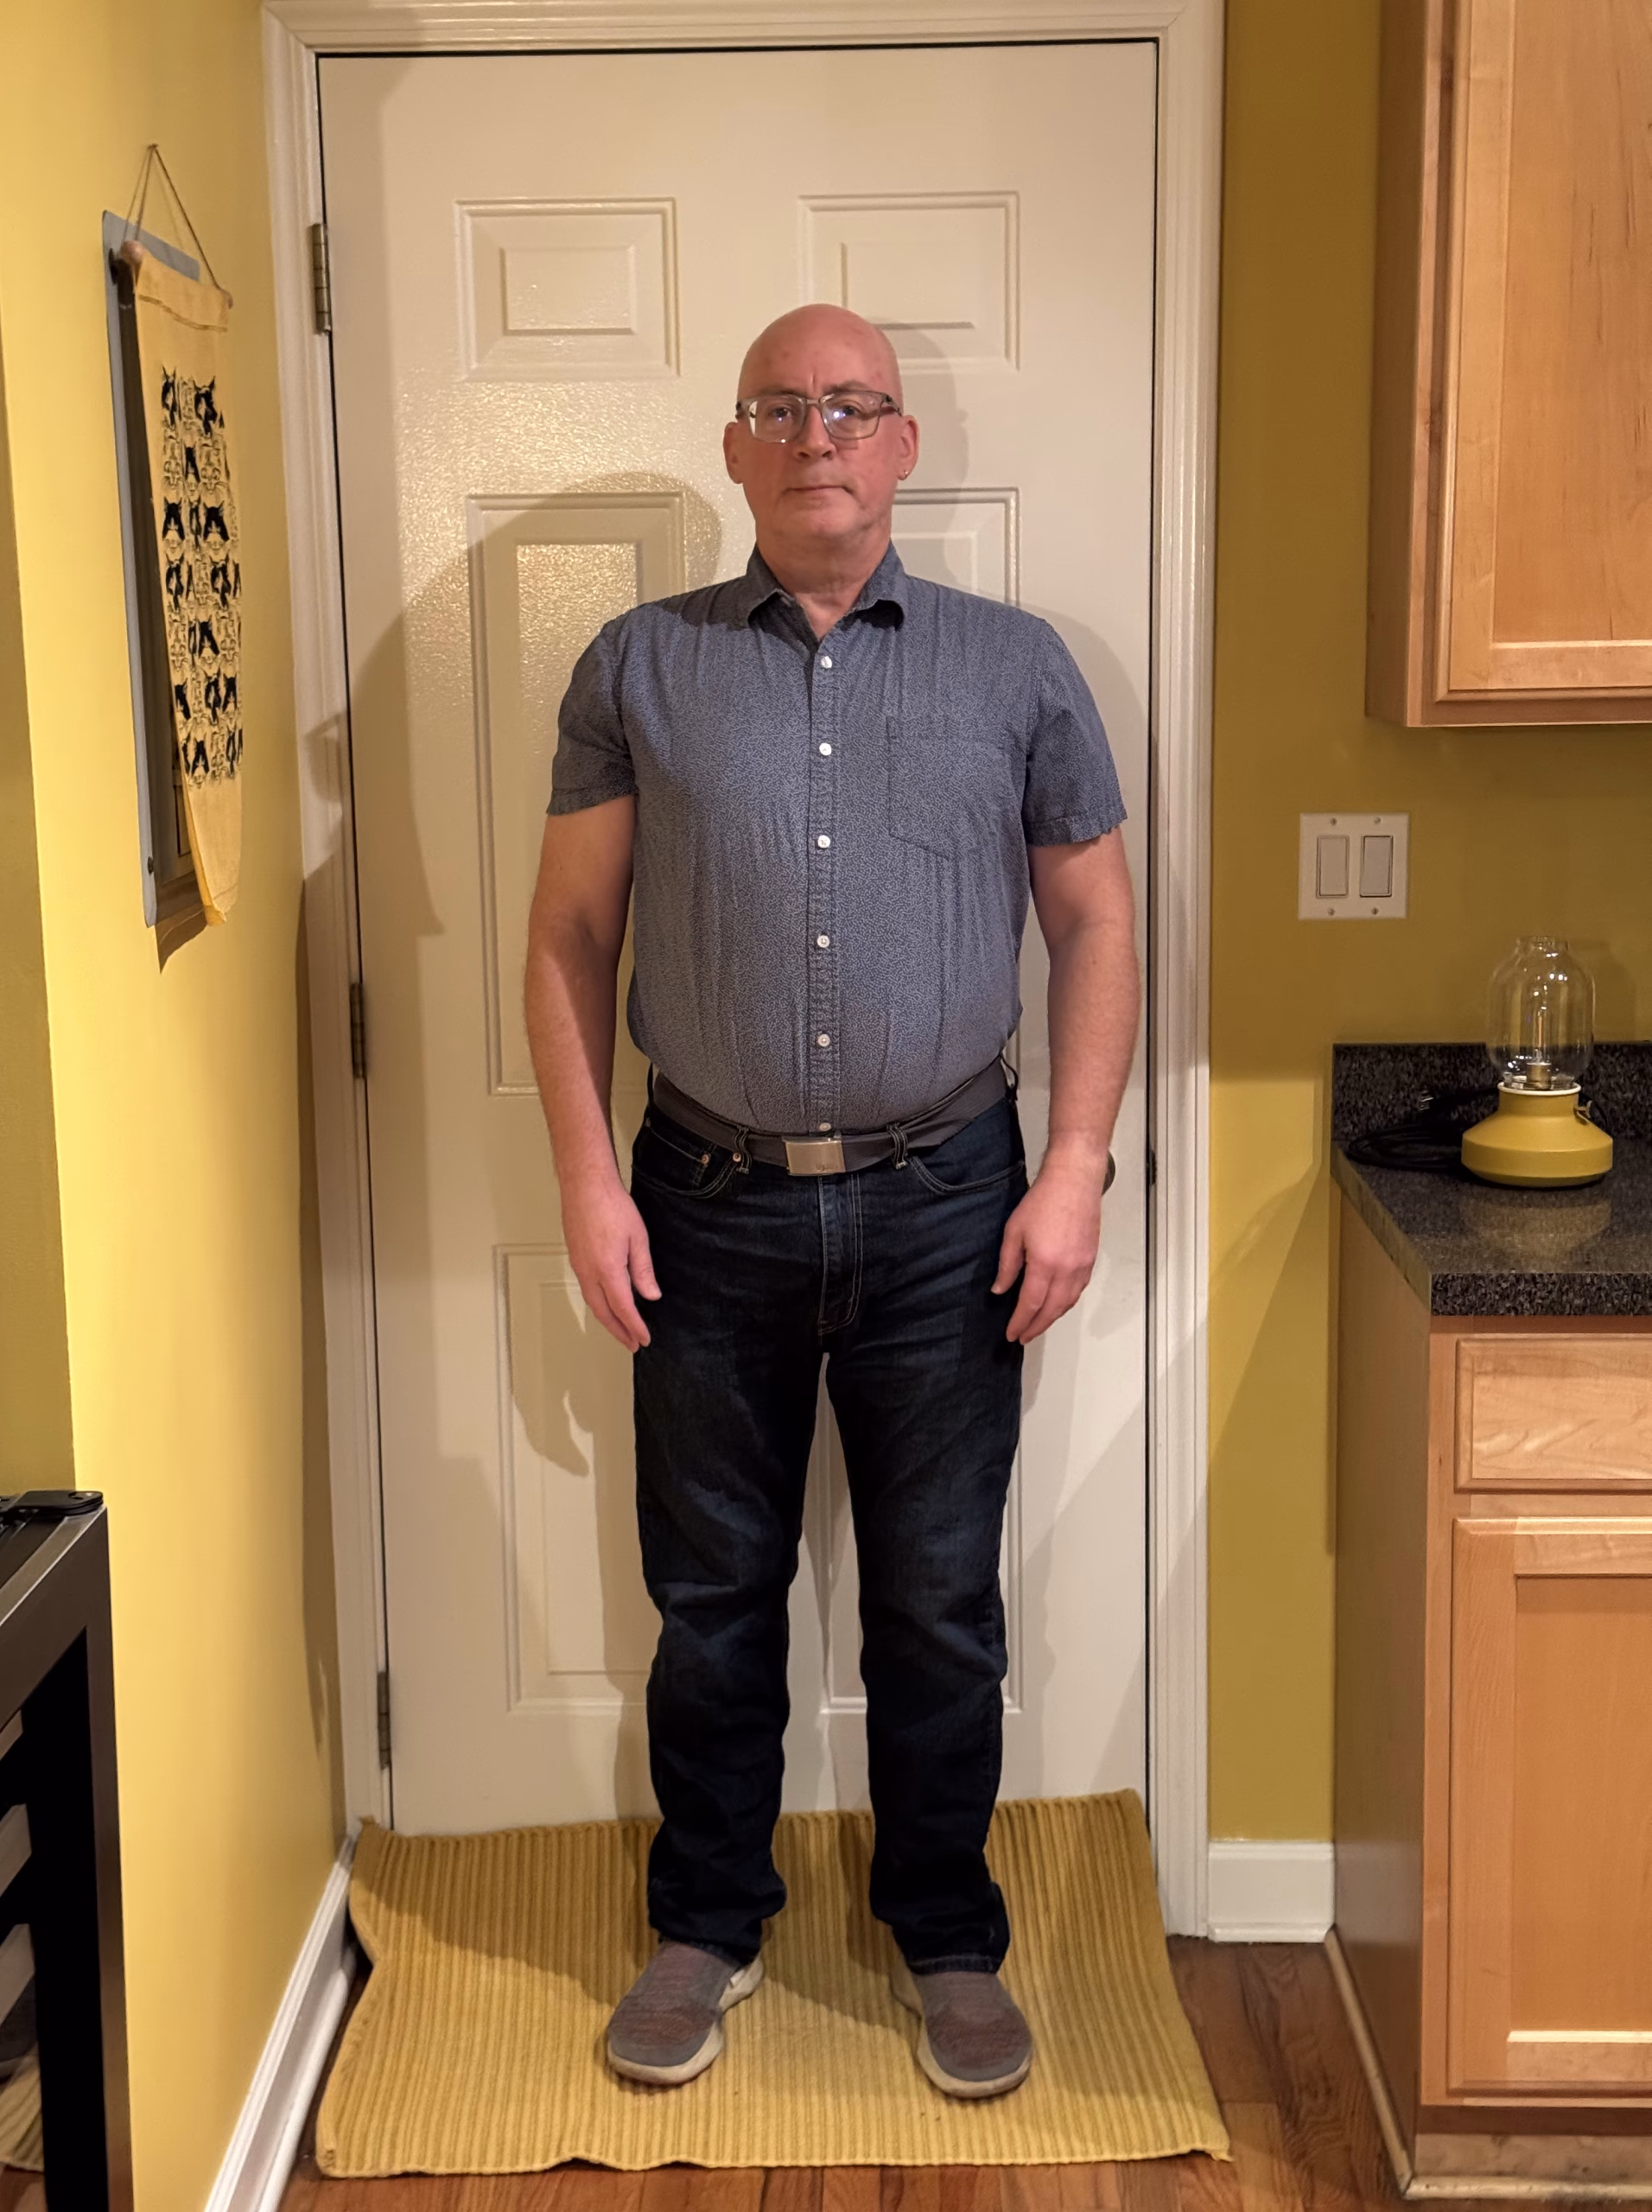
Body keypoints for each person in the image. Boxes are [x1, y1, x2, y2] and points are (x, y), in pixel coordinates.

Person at [524, 303, 1138, 2101]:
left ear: (904, 446)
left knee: (938, 1601)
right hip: (701, 1202)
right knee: (712, 1595)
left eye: (853, 406)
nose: (819, 436)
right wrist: (585, 1177)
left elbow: (1097, 921)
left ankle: (946, 1933)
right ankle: (708, 1919)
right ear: (735, 448)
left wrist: (1077, 1165)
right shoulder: (636, 666)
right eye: (782, 407)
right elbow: (567, 935)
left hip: (953, 1201)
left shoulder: (1017, 668)